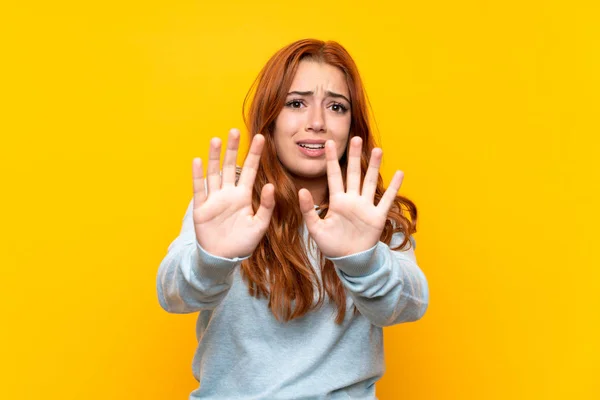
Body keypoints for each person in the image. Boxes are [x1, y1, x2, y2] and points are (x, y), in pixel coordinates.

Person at [156, 38, 429, 400]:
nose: (316, 122)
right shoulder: (228, 200)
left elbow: (409, 304)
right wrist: (212, 261)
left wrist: (362, 259)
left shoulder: (370, 211)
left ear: (352, 124)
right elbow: (173, 296)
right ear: (270, 117)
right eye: (296, 103)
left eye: (336, 106)